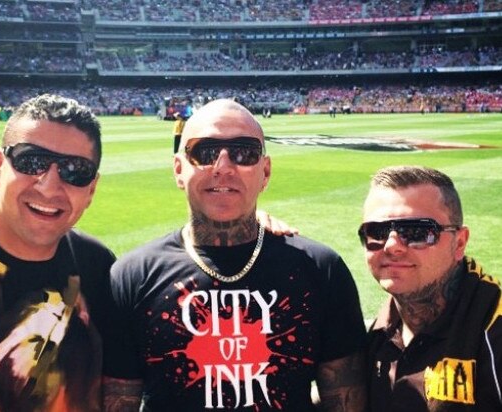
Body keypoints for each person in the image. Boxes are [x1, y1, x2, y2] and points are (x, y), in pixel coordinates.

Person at [102, 98, 367, 411]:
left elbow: (346, 401)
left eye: (244, 153)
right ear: (178, 170)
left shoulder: (320, 269)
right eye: (205, 152)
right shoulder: (132, 276)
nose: (223, 167)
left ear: (265, 172)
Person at [0, 94, 116, 411]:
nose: (49, 186)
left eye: (75, 170)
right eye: (31, 161)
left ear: (91, 190)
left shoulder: (97, 265)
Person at [359, 165, 502, 411]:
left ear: (459, 243)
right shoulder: (379, 332)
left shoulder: (493, 328)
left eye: (416, 231)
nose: (392, 246)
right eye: (377, 232)